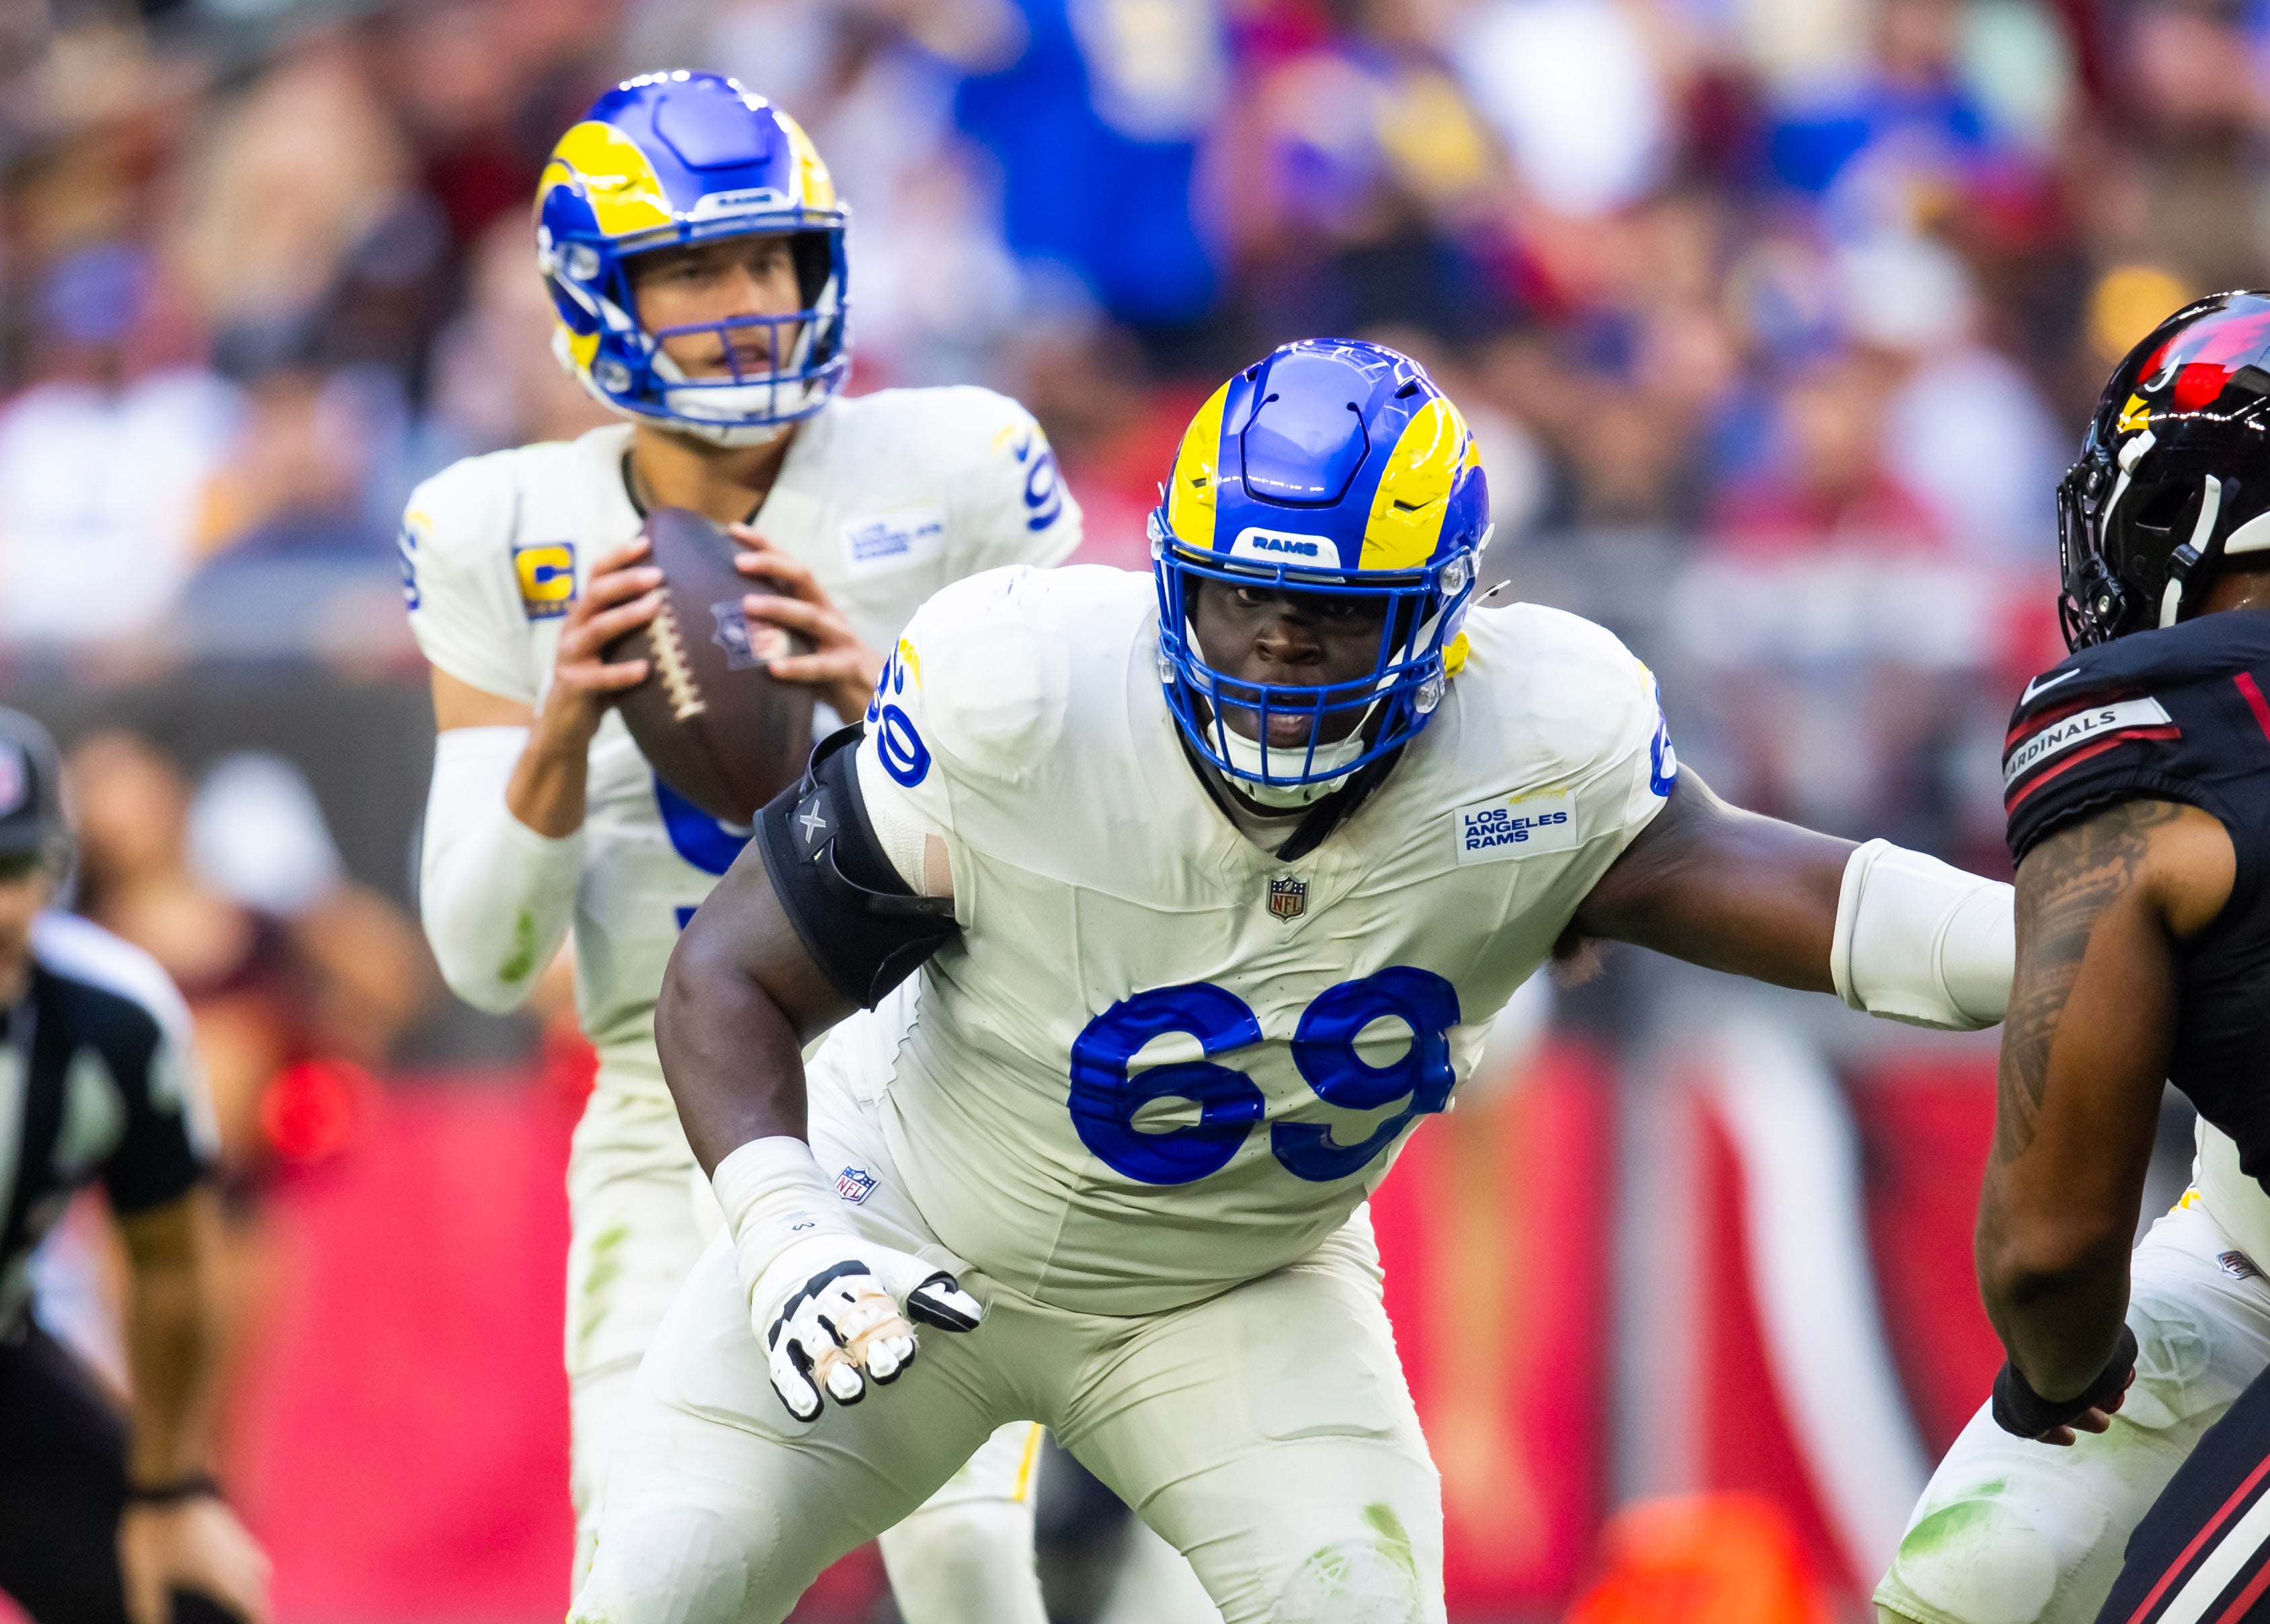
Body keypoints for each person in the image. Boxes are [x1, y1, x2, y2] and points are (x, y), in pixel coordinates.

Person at [573, 335, 2017, 1624]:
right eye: (1244, 602)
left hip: (1237, 1294)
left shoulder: (1535, 741)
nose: (1278, 647)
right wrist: (784, 1227)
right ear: (1171, 582)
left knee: (1359, 1595)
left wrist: (2059, 940)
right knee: (665, 1574)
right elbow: (728, 973)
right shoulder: (1022, 689)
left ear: (1444, 620)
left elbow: (1811, 897)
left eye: (1331, 617)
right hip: (911, 1231)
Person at [401, 71, 1081, 1607]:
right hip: (667, 1104)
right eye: (698, 266)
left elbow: (1084, 839)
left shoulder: (960, 464)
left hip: (937, 1084)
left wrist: (886, 717)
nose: (749, 301)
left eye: (772, 258)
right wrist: (563, 735)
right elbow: (487, 953)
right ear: (598, 293)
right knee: (654, 1572)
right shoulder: (495, 524)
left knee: (971, 1552)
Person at [1873, 290, 2270, 1624]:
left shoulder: (2153, 730)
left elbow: (2049, 1254)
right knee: (1977, 1573)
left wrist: (2056, 1371)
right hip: (2243, 1239)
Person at [0, 709, 270, 1624]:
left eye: (15, 872)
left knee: (192, 1597)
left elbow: (169, 1260)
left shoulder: (108, 1020)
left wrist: (170, 1491)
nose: (0, 909)